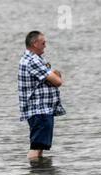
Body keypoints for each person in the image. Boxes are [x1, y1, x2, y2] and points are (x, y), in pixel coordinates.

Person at [18, 31, 66, 161]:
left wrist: (52, 76)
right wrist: (52, 77)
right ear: (35, 43)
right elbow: (58, 81)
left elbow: (55, 77)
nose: (45, 46)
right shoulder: (33, 60)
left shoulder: (35, 59)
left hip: (41, 110)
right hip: (39, 110)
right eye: (43, 43)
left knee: (39, 147)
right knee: (36, 148)